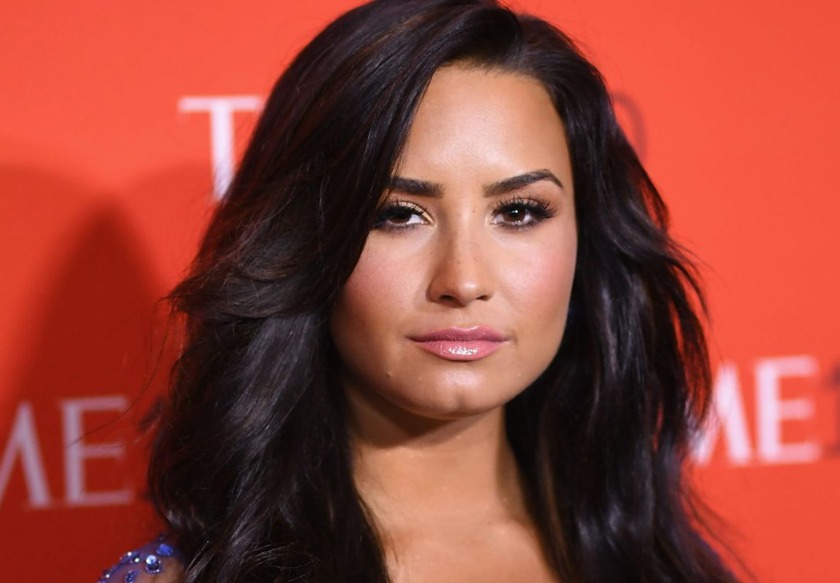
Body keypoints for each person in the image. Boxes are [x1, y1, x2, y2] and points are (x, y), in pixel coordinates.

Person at [99, 0, 738, 581]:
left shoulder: (656, 561)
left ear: (586, 237)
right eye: (398, 214)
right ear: (305, 242)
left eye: (518, 212)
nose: (463, 280)